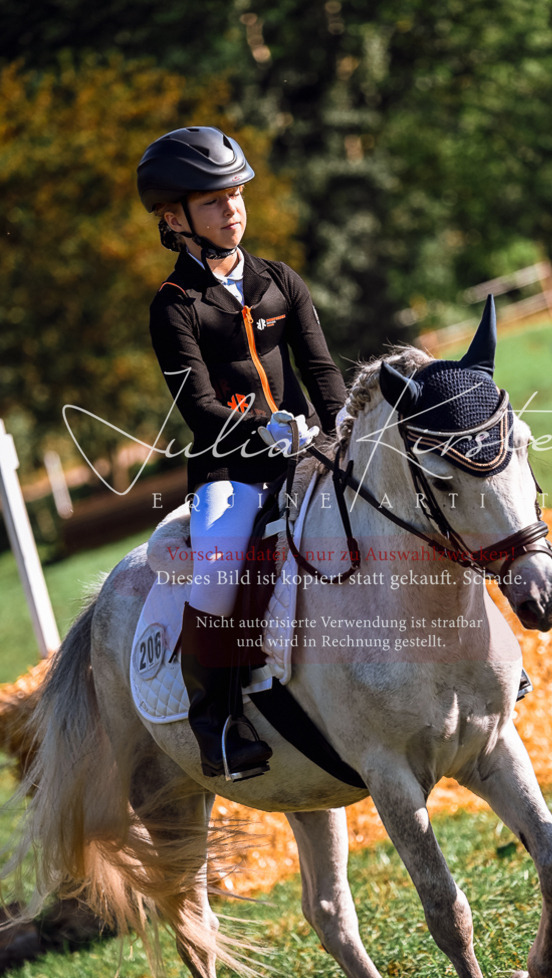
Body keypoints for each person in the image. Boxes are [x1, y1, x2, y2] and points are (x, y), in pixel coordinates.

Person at [137, 126, 347, 781]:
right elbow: (199, 407)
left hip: (307, 453)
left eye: (236, 195)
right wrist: (267, 425)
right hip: (231, 470)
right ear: (174, 219)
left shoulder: (280, 279)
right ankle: (216, 722)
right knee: (224, 563)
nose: (233, 209)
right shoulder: (174, 307)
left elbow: (322, 370)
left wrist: (344, 430)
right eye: (213, 201)